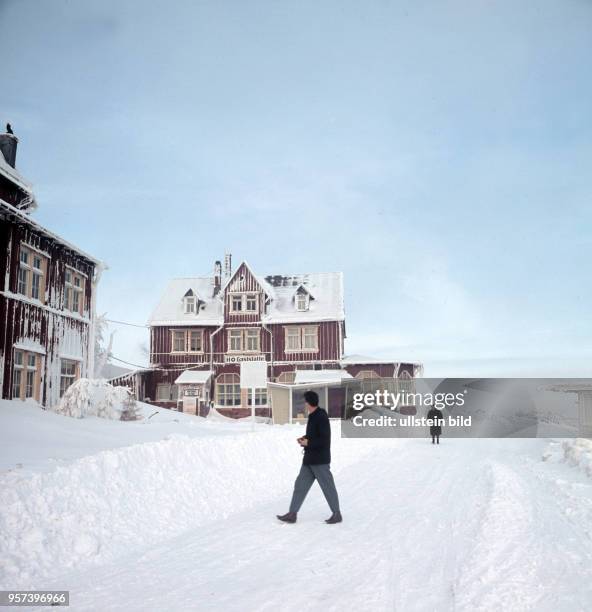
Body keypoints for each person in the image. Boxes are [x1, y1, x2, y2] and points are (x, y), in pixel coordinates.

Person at [277, 390, 342, 524]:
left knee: (328, 487)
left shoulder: (321, 416)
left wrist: (309, 442)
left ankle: (337, 514)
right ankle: (292, 514)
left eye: (305, 401)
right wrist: (304, 439)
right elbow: (314, 435)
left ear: (308, 403)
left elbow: (324, 439)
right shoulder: (312, 416)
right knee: (300, 485)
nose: (304, 404)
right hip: (309, 460)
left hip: (320, 461)